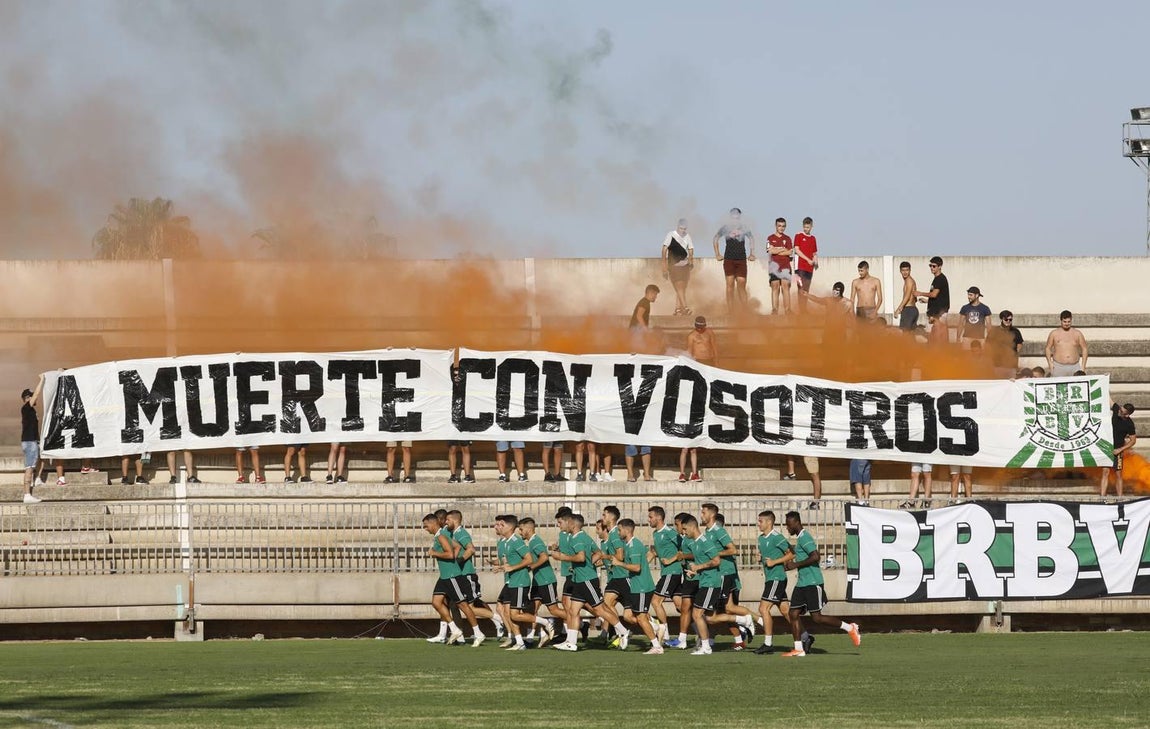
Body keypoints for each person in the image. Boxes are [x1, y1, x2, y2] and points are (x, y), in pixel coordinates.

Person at [781, 511, 861, 657]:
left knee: (817, 618)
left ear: (796, 523)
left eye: (788, 524)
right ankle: (798, 649)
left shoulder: (805, 537)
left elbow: (816, 556)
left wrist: (795, 564)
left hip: (813, 582)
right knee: (793, 614)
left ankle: (850, 628)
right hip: (802, 583)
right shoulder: (799, 539)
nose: (787, 528)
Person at [548, 513, 630, 652]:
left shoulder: (578, 538)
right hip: (579, 580)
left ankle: (623, 632)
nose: (563, 526)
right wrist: (590, 564)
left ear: (572, 524)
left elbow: (580, 558)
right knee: (573, 611)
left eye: (565, 523)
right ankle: (571, 642)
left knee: (599, 609)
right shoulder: (583, 536)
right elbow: (597, 552)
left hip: (586, 580)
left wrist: (562, 557)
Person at [614, 518, 662, 653]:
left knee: (641, 618)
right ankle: (654, 626)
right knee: (628, 616)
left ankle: (656, 646)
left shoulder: (634, 545)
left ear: (627, 530)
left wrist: (619, 564)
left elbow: (636, 567)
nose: (618, 533)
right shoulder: (629, 545)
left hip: (642, 587)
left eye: (619, 530)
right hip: (636, 587)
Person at [447, 509, 495, 645]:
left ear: (455, 520)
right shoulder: (453, 534)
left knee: (470, 606)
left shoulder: (460, 533)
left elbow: (471, 549)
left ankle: (499, 619)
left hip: (466, 574)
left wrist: (459, 561)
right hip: (459, 575)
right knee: (453, 604)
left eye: (448, 520)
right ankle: (459, 634)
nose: (446, 522)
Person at [423, 512, 471, 646]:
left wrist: (435, 554)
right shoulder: (440, 535)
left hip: (451, 575)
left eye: (426, 526)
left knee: (463, 605)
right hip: (445, 576)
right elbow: (457, 547)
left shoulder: (442, 535)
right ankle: (454, 630)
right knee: (437, 602)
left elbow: (451, 553)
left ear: (433, 523)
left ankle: (479, 632)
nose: (426, 529)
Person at [681, 514, 722, 655]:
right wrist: (695, 572)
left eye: (685, 529)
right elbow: (703, 564)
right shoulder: (696, 543)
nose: (684, 532)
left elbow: (716, 561)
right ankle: (705, 645)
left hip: (711, 582)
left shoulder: (705, 541)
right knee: (706, 617)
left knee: (697, 614)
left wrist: (698, 567)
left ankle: (706, 647)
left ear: (692, 527)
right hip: (704, 581)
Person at [492, 514, 534, 651]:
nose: (496, 527)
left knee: (514, 613)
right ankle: (517, 640)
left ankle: (544, 623)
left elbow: (528, 559)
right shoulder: (503, 542)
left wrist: (512, 567)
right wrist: (498, 565)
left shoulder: (516, 541)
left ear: (508, 526)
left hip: (520, 581)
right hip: (510, 581)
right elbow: (507, 561)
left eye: (500, 524)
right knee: (503, 609)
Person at [520, 516, 564, 646]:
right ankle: (532, 638)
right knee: (530, 609)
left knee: (554, 610)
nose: (520, 532)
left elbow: (544, 557)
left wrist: (531, 566)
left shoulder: (536, 541)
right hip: (538, 581)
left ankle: (578, 624)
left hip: (546, 581)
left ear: (528, 529)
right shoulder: (531, 542)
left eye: (521, 529)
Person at [754, 510, 793, 655]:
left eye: (760, 521)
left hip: (777, 578)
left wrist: (775, 562)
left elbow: (791, 553)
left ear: (769, 522)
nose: (758, 524)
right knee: (785, 611)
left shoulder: (777, 537)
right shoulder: (761, 538)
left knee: (763, 609)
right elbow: (767, 556)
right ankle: (804, 636)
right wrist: (760, 557)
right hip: (770, 578)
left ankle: (768, 643)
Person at [647, 506, 682, 645]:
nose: (648, 519)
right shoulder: (656, 534)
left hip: (672, 572)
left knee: (655, 601)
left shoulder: (670, 533)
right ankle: (700, 630)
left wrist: (671, 560)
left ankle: (665, 634)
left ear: (659, 518)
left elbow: (683, 549)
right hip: (668, 572)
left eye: (650, 517)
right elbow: (656, 552)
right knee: (681, 606)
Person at [712, 208, 755, 313]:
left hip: (741, 259)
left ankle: (745, 311)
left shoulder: (744, 227)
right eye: (733, 216)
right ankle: (730, 311)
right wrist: (717, 254)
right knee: (730, 285)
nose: (735, 219)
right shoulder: (725, 228)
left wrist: (752, 253)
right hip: (729, 259)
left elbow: (751, 239)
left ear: (740, 217)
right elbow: (715, 238)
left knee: (741, 284)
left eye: (737, 217)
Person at [1101, 402, 1138, 498]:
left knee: (1118, 475)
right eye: (1120, 409)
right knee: (1105, 472)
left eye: (1122, 411)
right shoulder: (1117, 409)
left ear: (1127, 414)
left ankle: (1120, 498)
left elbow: (1133, 441)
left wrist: (1120, 449)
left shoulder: (1129, 424)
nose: (1119, 411)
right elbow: (1109, 399)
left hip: (1118, 450)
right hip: (1107, 448)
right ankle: (1102, 497)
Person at [661, 218, 695, 316]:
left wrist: (691, 261)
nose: (682, 231)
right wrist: (664, 267)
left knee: (681, 287)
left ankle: (677, 309)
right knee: (679, 286)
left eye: (684, 229)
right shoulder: (671, 235)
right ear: (677, 227)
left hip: (684, 265)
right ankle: (685, 307)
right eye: (681, 228)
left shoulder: (687, 236)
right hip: (673, 265)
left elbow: (691, 249)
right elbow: (664, 250)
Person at [20, 377, 45, 503]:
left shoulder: (31, 410)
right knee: (29, 468)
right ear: (27, 399)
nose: (35, 399)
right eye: (31, 396)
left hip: (32, 441)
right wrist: (43, 380)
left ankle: (38, 479)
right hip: (29, 443)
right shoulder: (26, 407)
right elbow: (37, 394)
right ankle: (27, 495)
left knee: (41, 458)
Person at [1045, 310, 1088, 376]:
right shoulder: (1054, 333)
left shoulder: (1077, 333)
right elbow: (1048, 348)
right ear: (1061, 321)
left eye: (1069, 321)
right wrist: (1050, 363)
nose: (1067, 323)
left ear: (1071, 320)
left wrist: (1083, 366)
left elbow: (1084, 348)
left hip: (1075, 366)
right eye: (1064, 321)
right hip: (1058, 366)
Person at [766, 217, 793, 315]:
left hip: (785, 266)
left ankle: (787, 310)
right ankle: (774, 310)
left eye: (783, 226)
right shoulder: (770, 238)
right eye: (779, 226)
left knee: (785, 286)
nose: (781, 228)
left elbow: (790, 252)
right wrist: (782, 249)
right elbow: (770, 251)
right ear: (776, 226)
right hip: (774, 267)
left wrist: (777, 251)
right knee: (775, 286)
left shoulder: (787, 238)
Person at [987, 310, 1024, 378]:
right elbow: (988, 346)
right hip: (997, 365)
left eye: (1010, 319)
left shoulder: (1016, 331)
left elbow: (1020, 344)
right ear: (1001, 319)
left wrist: (1015, 354)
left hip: (1011, 366)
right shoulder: (994, 331)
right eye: (1006, 319)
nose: (1008, 321)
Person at [915, 256, 950, 324]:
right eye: (930, 266)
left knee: (938, 333)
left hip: (939, 314)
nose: (931, 268)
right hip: (936, 313)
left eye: (934, 266)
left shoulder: (940, 279)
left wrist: (920, 293)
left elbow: (934, 294)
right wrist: (928, 301)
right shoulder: (937, 279)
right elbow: (939, 298)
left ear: (940, 267)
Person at [793, 217, 818, 312]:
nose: (806, 229)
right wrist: (807, 259)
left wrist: (816, 262)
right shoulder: (798, 235)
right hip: (800, 267)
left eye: (808, 227)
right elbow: (797, 250)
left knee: (806, 289)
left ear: (811, 226)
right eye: (805, 227)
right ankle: (801, 309)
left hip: (809, 268)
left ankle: (804, 308)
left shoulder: (813, 238)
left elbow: (814, 253)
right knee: (800, 287)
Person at [629, 284, 660, 349]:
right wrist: (645, 329)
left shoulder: (645, 302)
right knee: (638, 348)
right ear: (650, 293)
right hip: (636, 330)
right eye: (655, 294)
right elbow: (639, 316)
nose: (655, 297)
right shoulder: (645, 302)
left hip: (636, 330)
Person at [894, 261, 919, 331]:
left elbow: (907, 296)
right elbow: (915, 298)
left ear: (910, 270)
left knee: (906, 335)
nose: (905, 272)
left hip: (909, 310)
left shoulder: (909, 281)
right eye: (903, 270)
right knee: (911, 336)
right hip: (912, 309)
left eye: (907, 270)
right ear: (900, 271)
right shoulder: (911, 281)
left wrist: (898, 310)